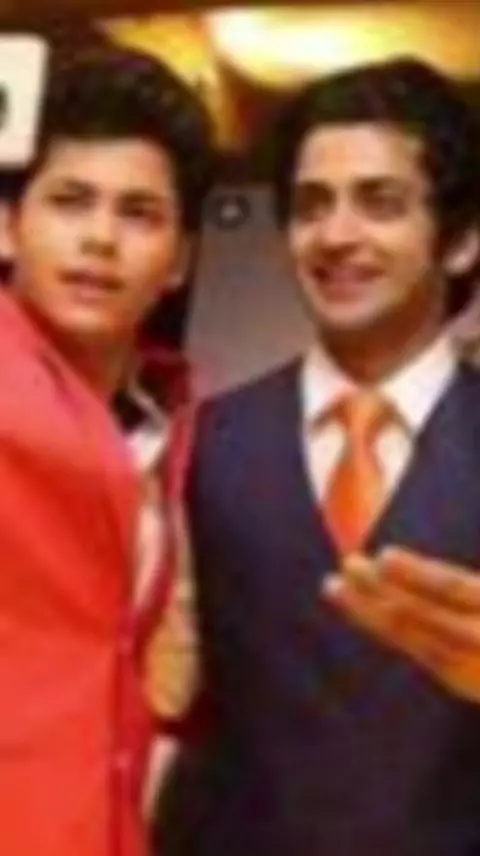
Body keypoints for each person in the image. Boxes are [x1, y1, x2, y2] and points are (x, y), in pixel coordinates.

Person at [156, 58, 480, 856]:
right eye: (310, 205)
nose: (335, 235)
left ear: (462, 240)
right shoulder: (205, 439)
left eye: (380, 201)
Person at [0, 40, 212, 856]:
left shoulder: (167, 417)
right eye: (70, 201)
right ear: (9, 228)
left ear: (179, 260)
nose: (100, 238)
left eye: (139, 213)